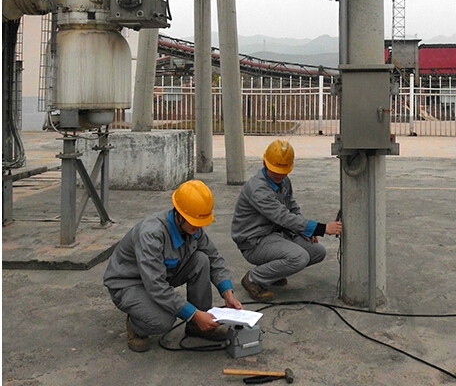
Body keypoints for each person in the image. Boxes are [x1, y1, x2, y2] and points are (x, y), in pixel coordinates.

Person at [104, 180, 243, 352]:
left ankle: (196, 327)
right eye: (194, 222)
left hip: (161, 276)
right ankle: (136, 326)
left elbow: (213, 257)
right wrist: (194, 314)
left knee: (201, 260)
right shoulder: (152, 234)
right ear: (178, 214)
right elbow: (156, 286)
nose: (198, 227)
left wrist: (227, 293)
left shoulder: (193, 227)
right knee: (163, 321)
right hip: (129, 284)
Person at [231, 139, 342, 302]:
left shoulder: (283, 181)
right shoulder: (258, 189)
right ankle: (254, 279)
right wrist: (321, 228)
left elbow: (292, 207)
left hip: (275, 235)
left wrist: (306, 231)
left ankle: (272, 273)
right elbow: (283, 217)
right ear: (264, 163)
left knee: (317, 251)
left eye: (283, 171)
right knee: (299, 257)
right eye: (275, 171)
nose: (279, 175)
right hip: (254, 241)